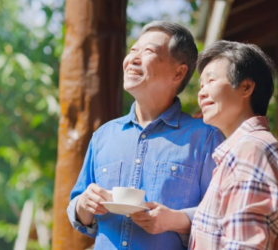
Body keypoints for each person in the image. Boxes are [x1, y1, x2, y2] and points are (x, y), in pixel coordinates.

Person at [67, 21, 224, 250]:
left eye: (148, 51)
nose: (133, 58)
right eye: (133, 50)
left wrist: (175, 220)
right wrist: (84, 203)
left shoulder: (206, 139)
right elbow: (77, 210)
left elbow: (221, 215)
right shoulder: (103, 136)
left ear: (178, 72)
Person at [189, 40, 278, 250]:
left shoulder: (250, 150)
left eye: (211, 81)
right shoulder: (242, 148)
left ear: (246, 87)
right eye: (201, 85)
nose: (201, 93)